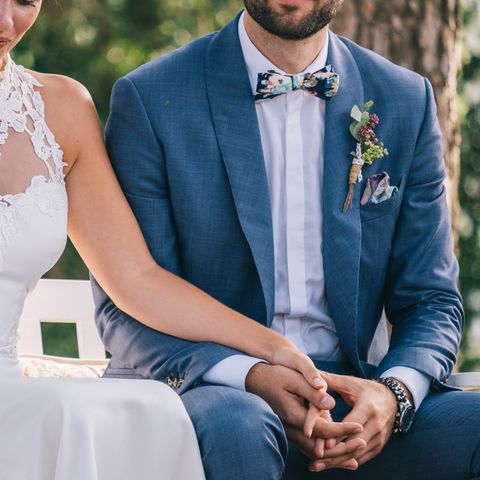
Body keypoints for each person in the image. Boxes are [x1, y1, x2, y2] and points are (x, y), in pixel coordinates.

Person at [0, 0, 342, 478]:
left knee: (155, 411)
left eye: (25, 2)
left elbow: (136, 279)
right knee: (63, 415)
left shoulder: (63, 108)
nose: (2, 20)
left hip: (3, 396)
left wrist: (272, 347)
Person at [93, 0, 480, 479]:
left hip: (353, 397)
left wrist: (392, 394)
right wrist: (251, 375)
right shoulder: (151, 98)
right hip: (216, 389)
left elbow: (433, 299)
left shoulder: (405, 99)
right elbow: (122, 305)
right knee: (242, 425)